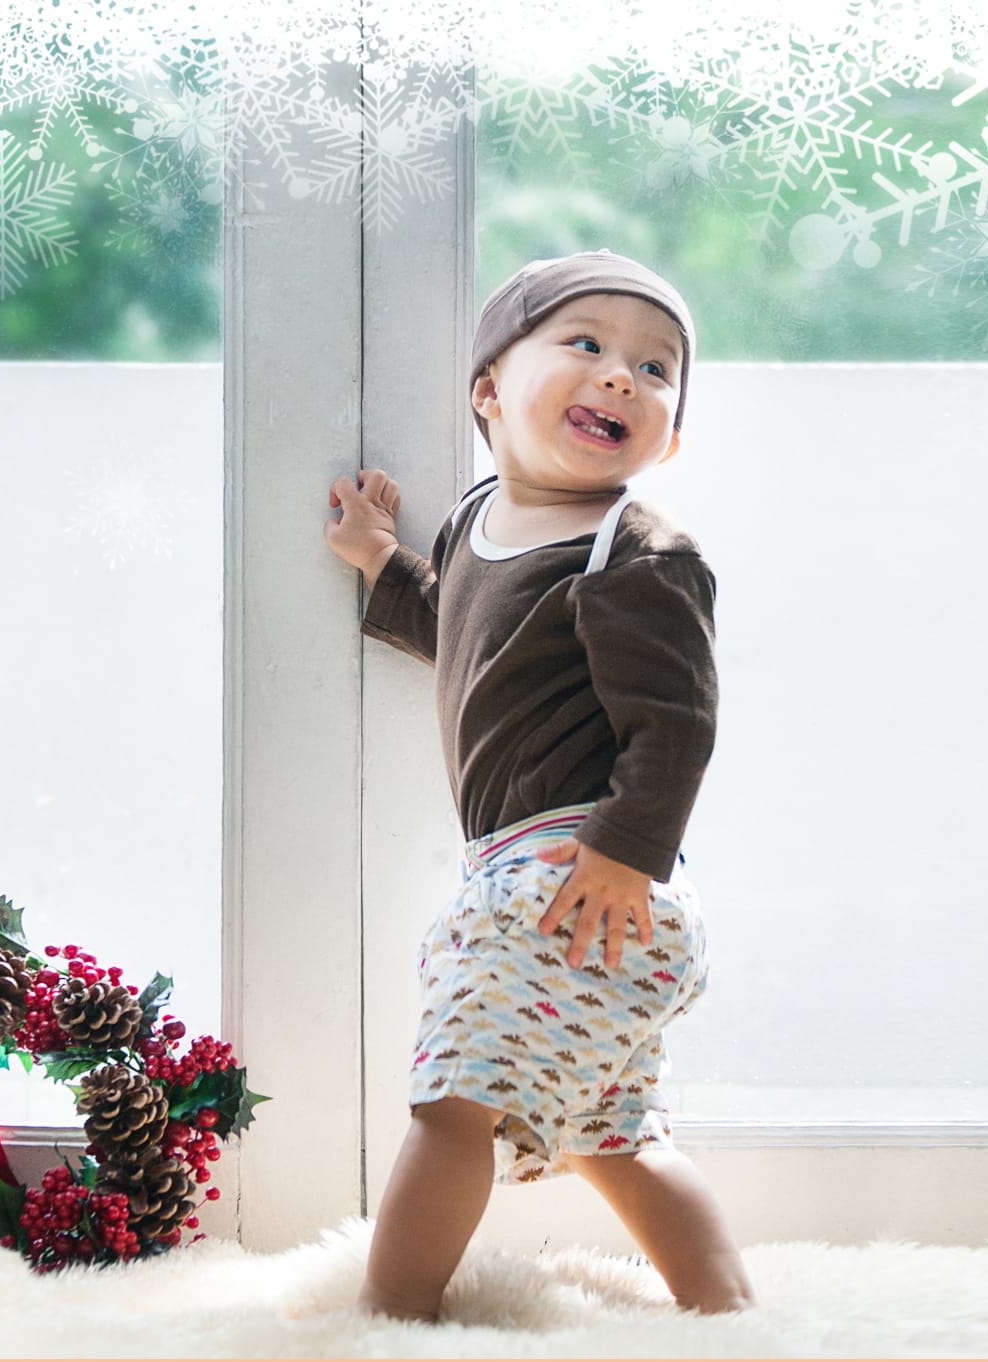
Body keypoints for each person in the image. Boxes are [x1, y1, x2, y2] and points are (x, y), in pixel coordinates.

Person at [323, 249, 757, 1323]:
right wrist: (386, 563)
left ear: (672, 434)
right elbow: (471, 640)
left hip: (580, 873)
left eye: (657, 371)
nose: (623, 377)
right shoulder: (480, 523)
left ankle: (385, 1316)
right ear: (488, 389)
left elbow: (678, 723)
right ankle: (733, 1313)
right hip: (545, 880)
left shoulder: (635, 553)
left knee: (451, 1109)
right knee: (617, 1137)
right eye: (587, 345)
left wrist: (625, 850)